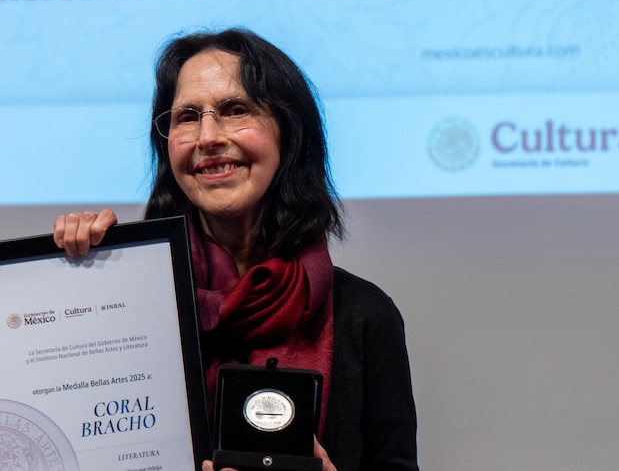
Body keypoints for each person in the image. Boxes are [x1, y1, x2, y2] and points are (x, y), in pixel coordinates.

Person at [54, 28, 419, 471]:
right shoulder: (132, 305)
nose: (208, 136)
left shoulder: (364, 315)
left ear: (288, 131)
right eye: (187, 117)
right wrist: (76, 275)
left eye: (235, 110)